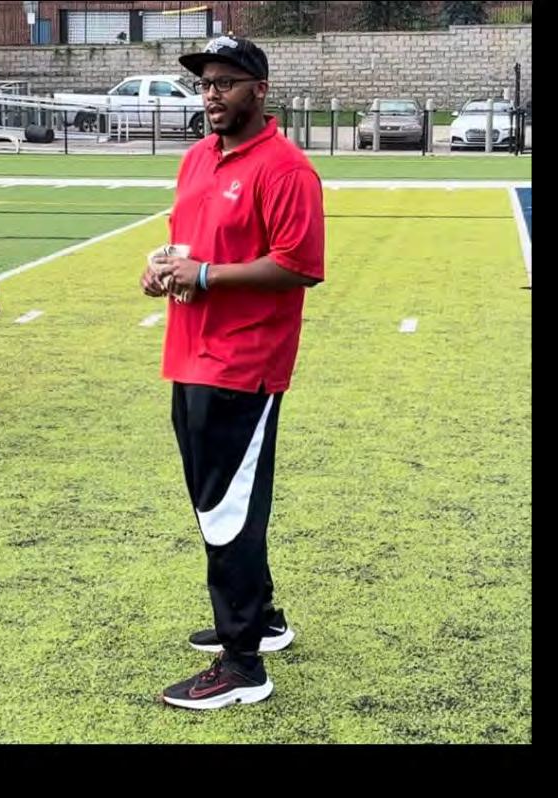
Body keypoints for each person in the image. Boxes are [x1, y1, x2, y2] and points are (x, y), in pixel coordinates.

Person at [145, 35, 325, 710]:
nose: (211, 94)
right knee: (214, 503)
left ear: (260, 90)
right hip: (189, 352)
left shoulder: (286, 168)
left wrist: (204, 275)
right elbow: (191, 243)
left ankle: (243, 662)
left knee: (227, 512)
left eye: (225, 82)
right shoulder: (197, 157)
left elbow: (299, 265)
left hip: (244, 363)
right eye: (204, 83)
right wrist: (163, 267)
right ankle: (264, 619)